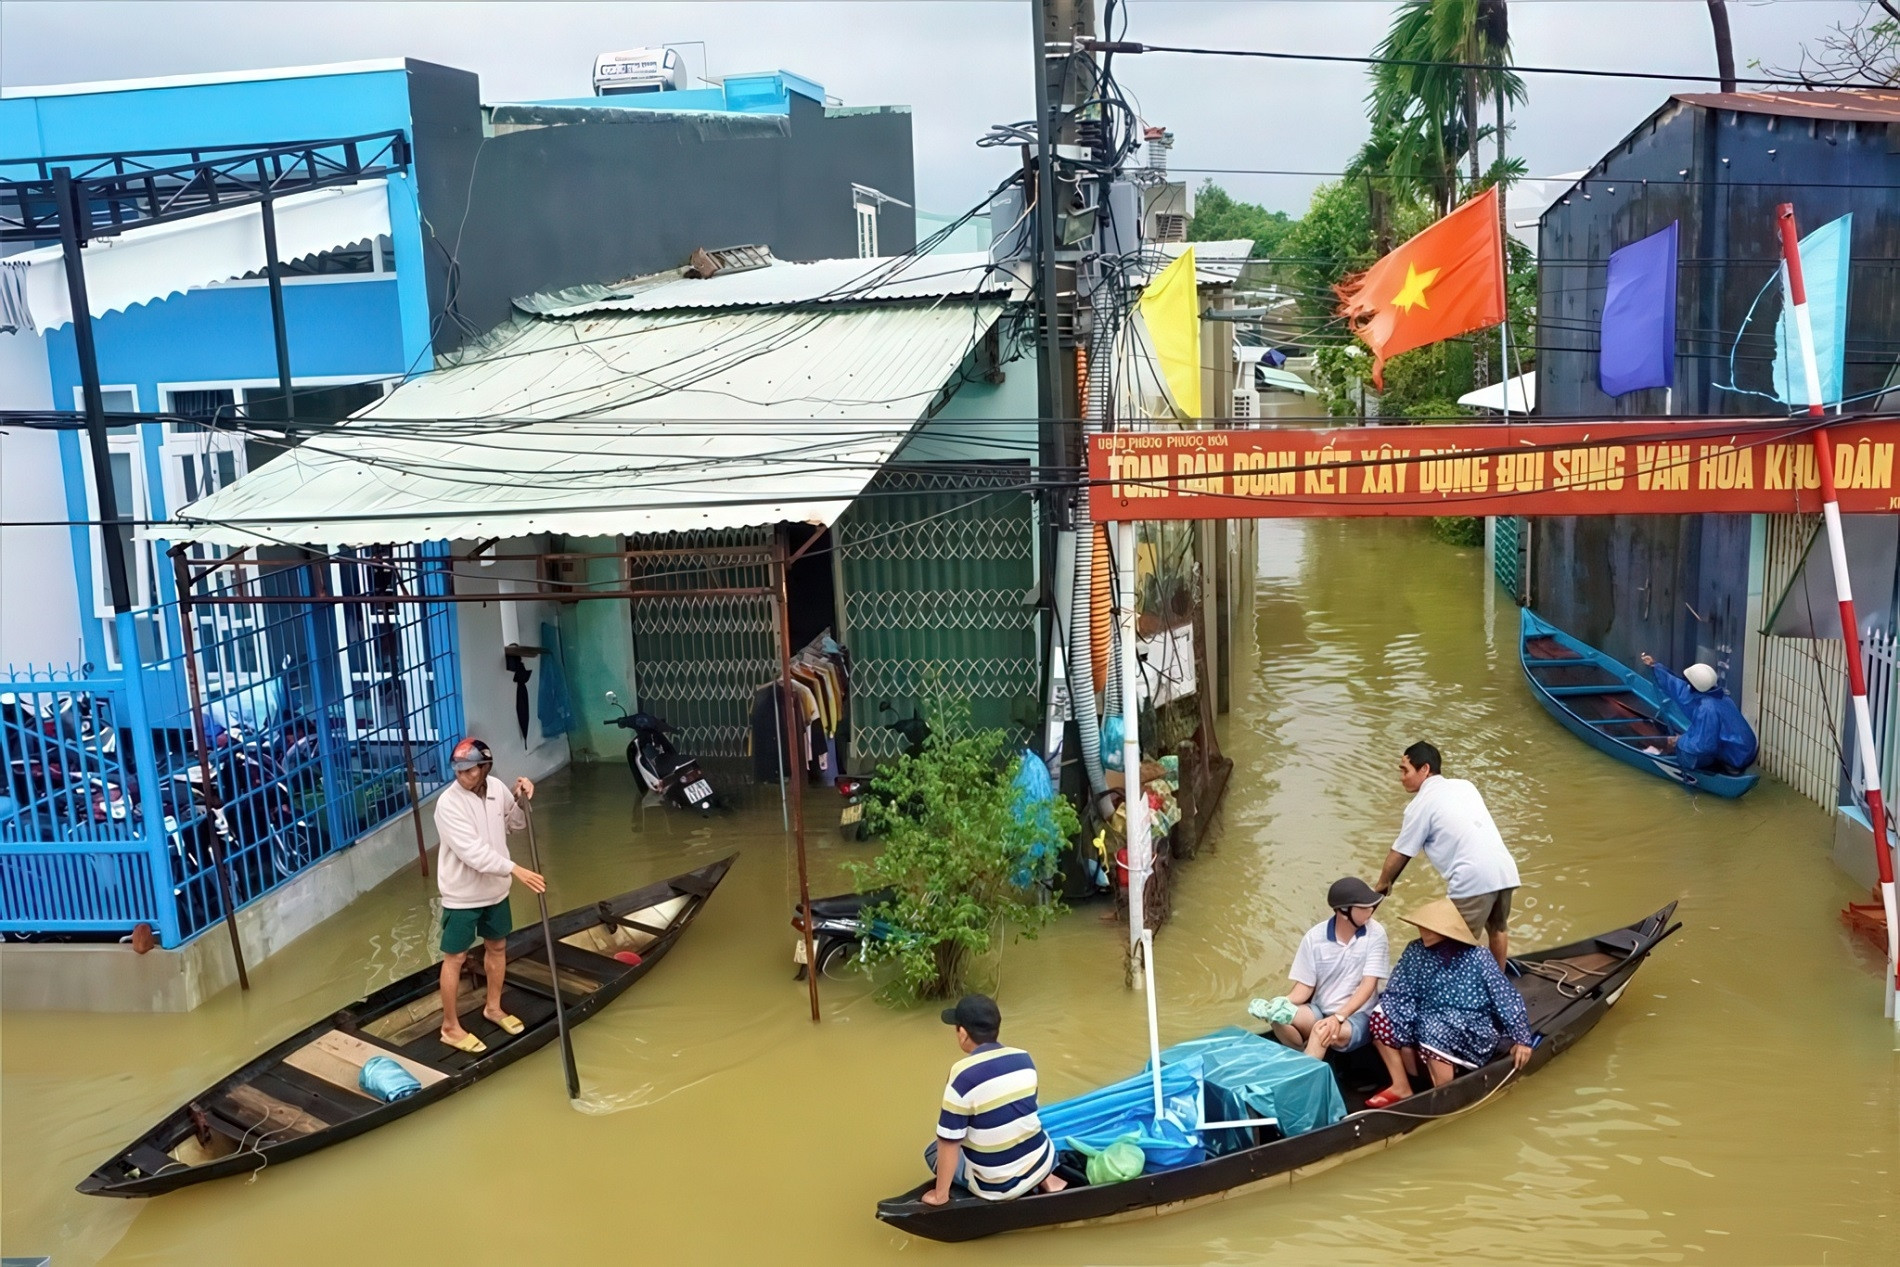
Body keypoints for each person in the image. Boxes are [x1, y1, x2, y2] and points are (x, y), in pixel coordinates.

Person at [1362, 898, 1535, 1108]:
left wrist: (1522, 1038)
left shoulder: (1478, 956)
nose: (1422, 931)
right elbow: (1399, 989)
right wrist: (1406, 1022)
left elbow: (1505, 997)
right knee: (1381, 1014)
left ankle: (1443, 1094)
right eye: (1421, 926)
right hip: (1424, 1012)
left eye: (1429, 928)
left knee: (1434, 1028)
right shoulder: (1416, 950)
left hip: (1470, 1024)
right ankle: (1401, 1086)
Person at [432, 737, 543, 1054]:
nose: (463, 776)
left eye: (470, 770)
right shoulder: (448, 804)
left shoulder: (496, 789)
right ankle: (450, 1027)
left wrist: (521, 798)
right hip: (463, 896)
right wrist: (515, 870)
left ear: (484, 768)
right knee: (455, 957)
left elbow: (515, 824)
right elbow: (473, 854)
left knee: (497, 946)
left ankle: (493, 1007)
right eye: (459, 770)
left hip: (495, 891)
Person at [1374, 741, 1520, 970]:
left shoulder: (1421, 804)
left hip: (1472, 876)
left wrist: (1382, 885)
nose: (1401, 777)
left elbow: (1401, 851)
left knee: (1455, 942)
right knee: (1498, 928)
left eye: (1405, 770)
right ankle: (1499, 984)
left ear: (1425, 769)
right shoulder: (1464, 786)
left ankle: (1460, 999)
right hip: (1504, 869)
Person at [921, 995, 1068, 1205]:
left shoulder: (961, 1075)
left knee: (934, 1149)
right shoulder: (1024, 1058)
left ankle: (965, 1189)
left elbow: (949, 1141)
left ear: (962, 1034)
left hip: (997, 1186)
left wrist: (939, 1196)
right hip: (1043, 1161)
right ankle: (1047, 1179)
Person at [1261, 877, 1390, 1059]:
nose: (1370, 910)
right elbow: (1304, 988)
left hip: (1357, 1016)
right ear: (1344, 911)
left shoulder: (1376, 934)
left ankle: (1307, 1075)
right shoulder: (1314, 938)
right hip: (1320, 1011)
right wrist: (1279, 1003)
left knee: (1320, 1031)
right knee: (1277, 1015)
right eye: (1363, 907)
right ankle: (1303, 1053)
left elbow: (1368, 986)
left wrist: (1339, 1017)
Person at [1638, 654, 1759, 773]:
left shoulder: (1707, 708)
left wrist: (1679, 742)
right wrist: (1655, 667)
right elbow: (1678, 688)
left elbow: (1703, 745)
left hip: (1736, 756)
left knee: (1686, 754)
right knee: (1688, 740)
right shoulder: (1719, 696)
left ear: (1692, 685)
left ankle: (1709, 770)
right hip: (1744, 748)